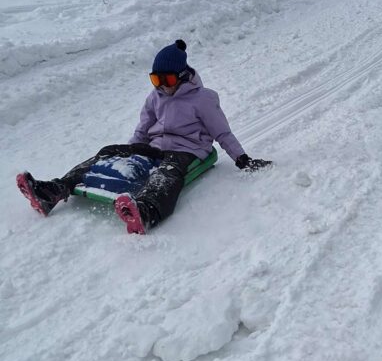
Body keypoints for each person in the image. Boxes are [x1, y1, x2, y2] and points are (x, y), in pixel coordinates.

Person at [16, 39, 272, 234]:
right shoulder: (155, 96)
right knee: (106, 152)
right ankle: (53, 191)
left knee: (167, 173)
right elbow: (142, 128)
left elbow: (222, 131)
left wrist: (242, 158)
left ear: (182, 76)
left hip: (187, 150)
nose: (161, 85)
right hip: (155, 147)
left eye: (166, 79)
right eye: (155, 79)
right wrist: (128, 154)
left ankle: (147, 211)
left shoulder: (203, 99)